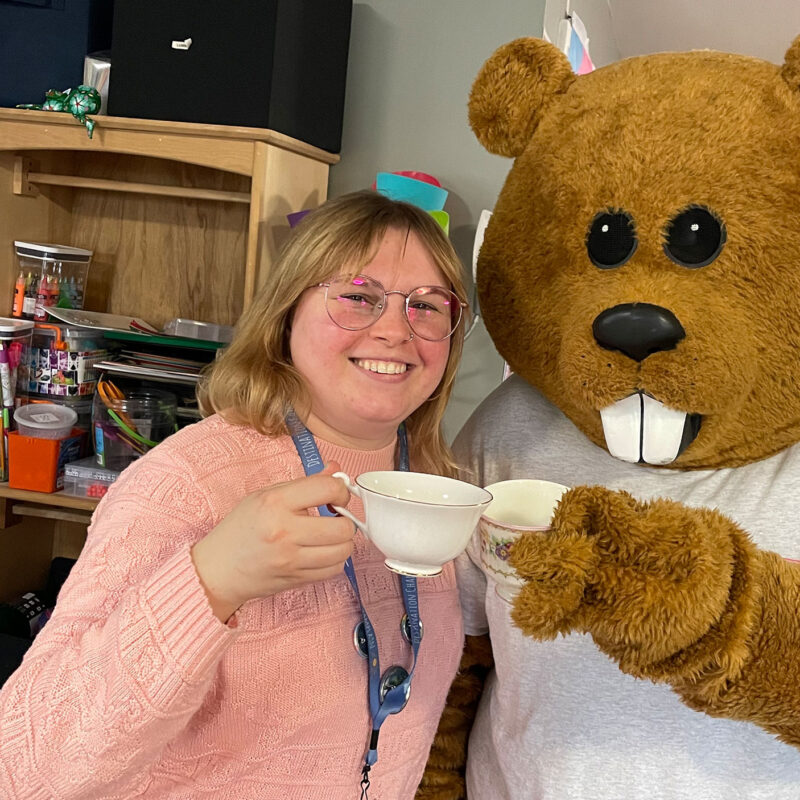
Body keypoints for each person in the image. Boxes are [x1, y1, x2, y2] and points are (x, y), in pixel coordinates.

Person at [0, 190, 470, 799]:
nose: (395, 331)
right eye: (358, 295)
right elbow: (25, 766)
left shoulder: (437, 484)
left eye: (427, 307)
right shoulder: (186, 481)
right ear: (286, 313)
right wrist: (212, 580)